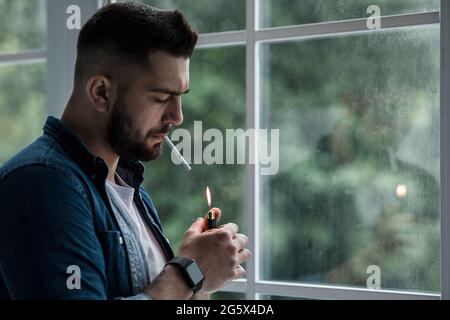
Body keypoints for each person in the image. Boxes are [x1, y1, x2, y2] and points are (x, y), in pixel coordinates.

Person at [0, 2, 250, 300]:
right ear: (101, 93)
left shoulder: (130, 188)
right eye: (161, 98)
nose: (177, 116)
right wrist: (188, 272)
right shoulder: (41, 182)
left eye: (180, 96)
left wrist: (201, 280)